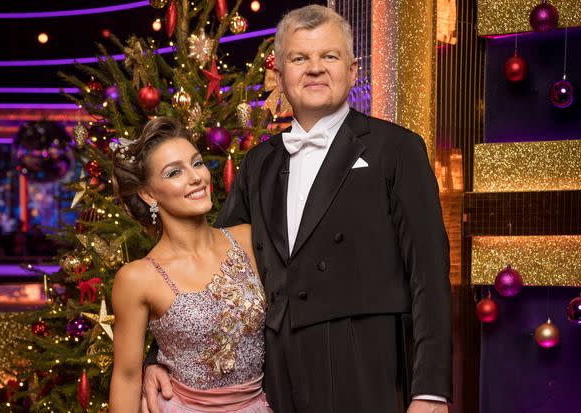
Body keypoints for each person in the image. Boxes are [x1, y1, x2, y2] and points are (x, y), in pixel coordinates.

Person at [143, 5, 451, 413]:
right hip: (275, 369)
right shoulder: (258, 163)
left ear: (354, 70)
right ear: (280, 76)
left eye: (329, 56)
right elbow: (207, 264)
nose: (315, 69)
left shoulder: (397, 149)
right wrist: (157, 358)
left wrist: (430, 390)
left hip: (367, 360)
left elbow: (428, 274)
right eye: (299, 58)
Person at [109, 117, 273, 413]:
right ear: (148, 194)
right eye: (174, 172)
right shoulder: (137, 278)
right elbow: (126, 377)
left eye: (197, 164)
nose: (196, 177)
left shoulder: (248, 239)